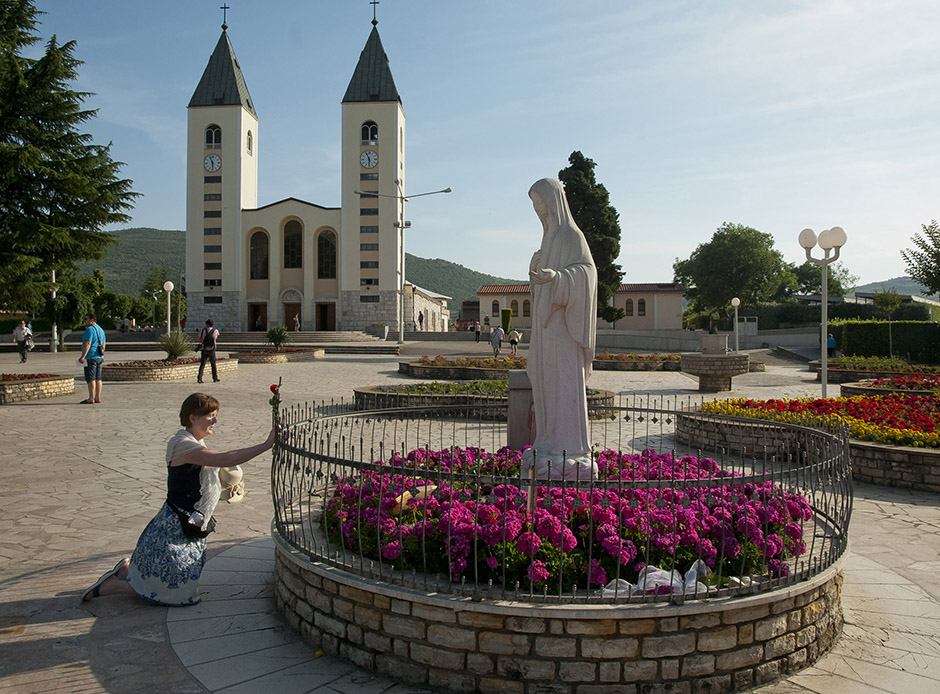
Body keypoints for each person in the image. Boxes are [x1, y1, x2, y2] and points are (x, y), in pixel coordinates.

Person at [81, 393, 276, 606]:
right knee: (174, 593)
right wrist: (266, 445)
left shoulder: (193, 441)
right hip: (176, 524)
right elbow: (224, 459)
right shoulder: (183, 444)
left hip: (190, 521)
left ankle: (125, 572)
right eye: (210, 416)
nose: (215, 421)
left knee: (176, 582)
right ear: (193, 417)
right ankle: (112, 586)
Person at [522, 178, 598, 481]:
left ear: (553, 201)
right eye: (533, 205)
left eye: (539, 202)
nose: (537, 210)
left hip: (565, 334)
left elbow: (586, 273)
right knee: (545, 385)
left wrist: (559, 278)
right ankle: (548, 441)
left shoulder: (570, 235)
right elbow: (543, 284)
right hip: (546, 331)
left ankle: (570, 450)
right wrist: (536, 273)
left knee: (564, 386)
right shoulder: (547, 239)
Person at [78, 313, 106, 404]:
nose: (84, 321)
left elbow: (88, 343)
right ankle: (98, 397)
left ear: (91, 320)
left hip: (91, 356)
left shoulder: (89, 330)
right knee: (98, 378)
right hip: (99, 356)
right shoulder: (101, 329)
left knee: (91, 378)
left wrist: (83, 356)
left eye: (86, 319)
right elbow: (103, 343)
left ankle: (91, 398)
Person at [197, 319, 220, 384]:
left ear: (207, 324)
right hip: (212, 350)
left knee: (202, 365)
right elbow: (216, 337)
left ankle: (199, 378)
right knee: (213, 364)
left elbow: (199, 338)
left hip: (204, 349)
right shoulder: (215, 331)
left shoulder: (203, 330)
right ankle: (215, 378)